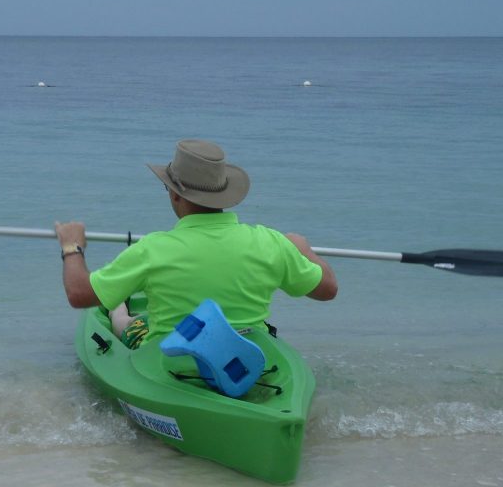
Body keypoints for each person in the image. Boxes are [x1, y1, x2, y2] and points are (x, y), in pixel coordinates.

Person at [55, 139, 337, 348]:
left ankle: (118, 309)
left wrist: (72, 247)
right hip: (244, 355)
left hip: (172, 364)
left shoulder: (153, 249)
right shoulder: (271, 242)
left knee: (127, 324)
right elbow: (327, 289)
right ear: (224, 195)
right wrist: (302, 249)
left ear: (176, 195)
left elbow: (79, 294)